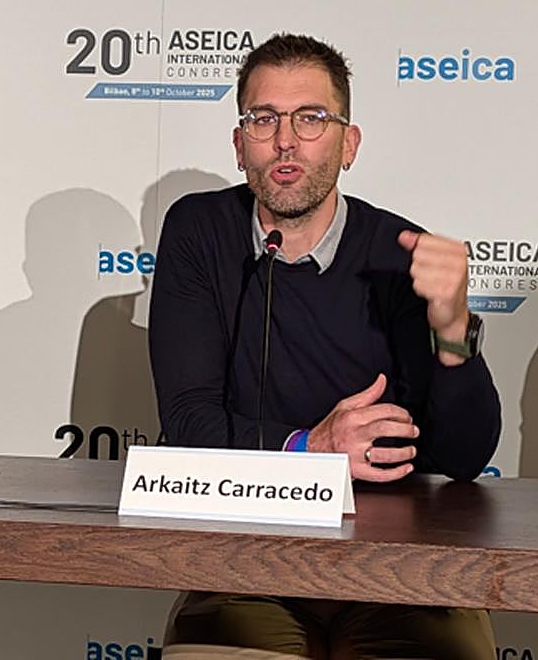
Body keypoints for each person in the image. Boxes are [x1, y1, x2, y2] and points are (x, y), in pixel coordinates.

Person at [149, 34, 501, 659]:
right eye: (264, 119)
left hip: (399, 573)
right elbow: (186, 422)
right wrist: (311, 447)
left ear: (349, 143)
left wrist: (452, 329)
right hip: (247, 564)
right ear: (239, 145)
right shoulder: (198, 232)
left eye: (311, 118)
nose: (286, 140)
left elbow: (466, 457)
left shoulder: (402, 253)